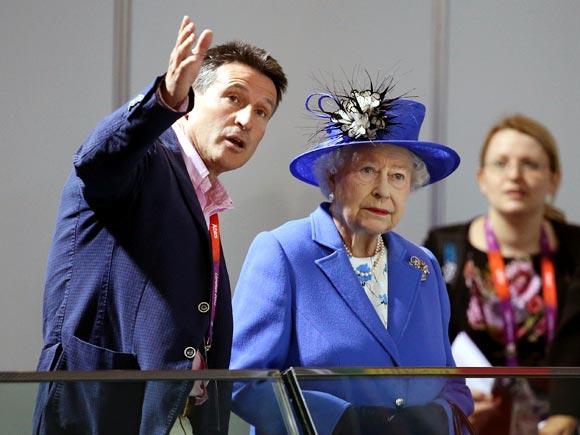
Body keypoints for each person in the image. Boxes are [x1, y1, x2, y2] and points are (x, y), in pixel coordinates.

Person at [32, 15, 287, 435]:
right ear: (192, 99)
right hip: (104, 412)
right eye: (234, 99)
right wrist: (164, 98)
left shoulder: (206, 196)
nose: (247, 120)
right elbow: (97, 161)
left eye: (263, 112)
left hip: (177, 416)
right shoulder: (145, 160)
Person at [229, 76, 474, 434]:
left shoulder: (423, 265)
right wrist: (344, 422)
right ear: (332, 175)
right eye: (368, 170)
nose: (383, 191)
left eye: (398, 176)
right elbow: (243, 380)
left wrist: (436, 419)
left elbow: (451, 382)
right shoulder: (285, 251)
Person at [424, 114, 580, 435]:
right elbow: (426, 345)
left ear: (553, 179)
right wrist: (450, 402)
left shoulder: (576, 249)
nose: (514, 175)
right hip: (468, 417)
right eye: (500, 163)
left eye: (530, 164)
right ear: (481, 178)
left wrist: (568, 413)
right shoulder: (443, 248)